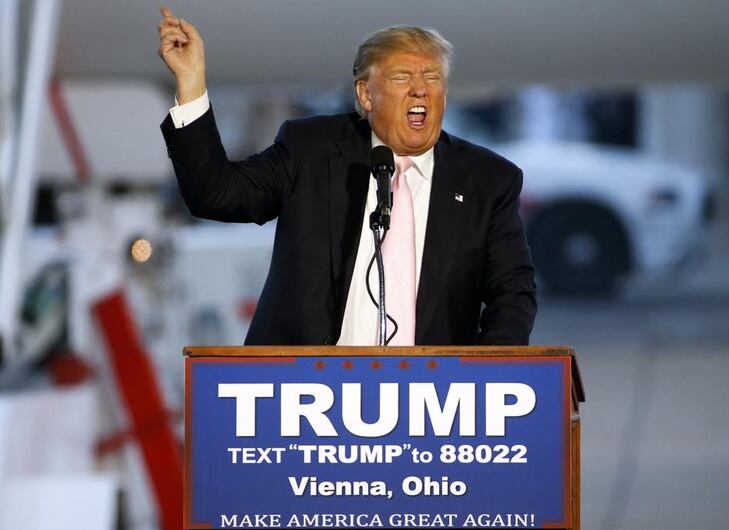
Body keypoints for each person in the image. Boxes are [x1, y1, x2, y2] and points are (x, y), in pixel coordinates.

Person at [157, 6, 536, 346]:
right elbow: (217, 194)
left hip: (429, 399)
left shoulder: (489, 181)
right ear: (366, 95)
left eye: (433, 77)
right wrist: (191, 86)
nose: (421, 89)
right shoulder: (311, 149)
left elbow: (512, 294)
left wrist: (487, 372)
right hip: (302, 392)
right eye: (403, 76)